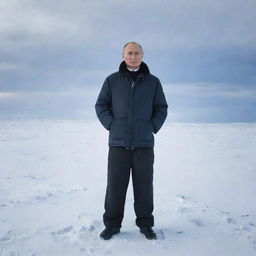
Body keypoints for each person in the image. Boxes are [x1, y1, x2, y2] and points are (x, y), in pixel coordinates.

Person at [95, 42, 168, 240]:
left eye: (137, 53)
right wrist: (112, 124)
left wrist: (152, 126)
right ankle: (112, 225)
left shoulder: (153, 82)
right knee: (115, 186)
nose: (133, 56)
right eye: (130, 53)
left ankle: (145, 225)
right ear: (123, 55)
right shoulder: (112, 81)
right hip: (118, 143)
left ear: (142, 55)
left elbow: (161, 108)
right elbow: (101, 105)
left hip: (144, 144)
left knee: (144, 186)